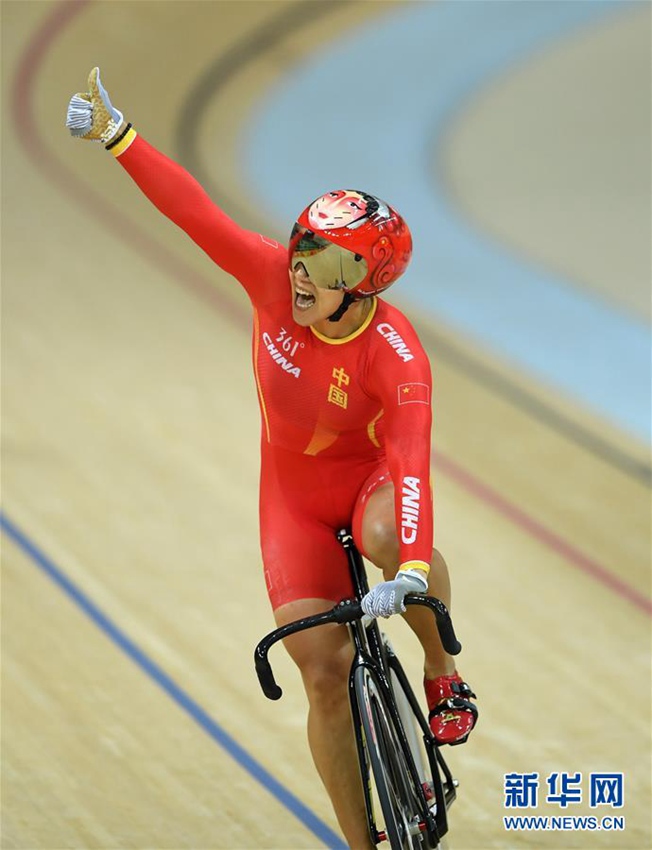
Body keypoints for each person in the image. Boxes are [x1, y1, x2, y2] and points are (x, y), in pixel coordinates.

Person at [67, 68, 478, 849]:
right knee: (321, 674)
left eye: (324, 266)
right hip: (292, 498)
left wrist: (413, 570)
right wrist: (118, 135)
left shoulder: (397, 356)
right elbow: (195, 213)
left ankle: (440, 669)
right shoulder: (269, 280)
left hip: (370, 485)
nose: (300, 271)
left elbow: (411, 464)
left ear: (363, 286)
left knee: (389, 539)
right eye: (302, 248)